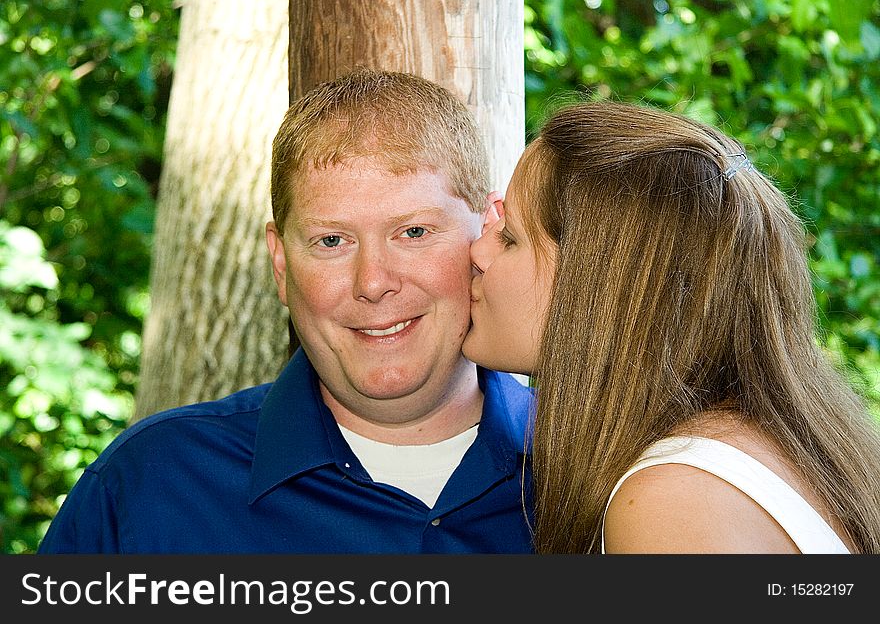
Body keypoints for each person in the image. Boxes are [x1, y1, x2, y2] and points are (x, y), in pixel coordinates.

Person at [38, 68, 535, 553]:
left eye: (413, 232)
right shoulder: (147, 489)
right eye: (332, 240)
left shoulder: (594, 478)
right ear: (281, 263)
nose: (374, 283)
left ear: (489, 231)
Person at [463, 99, 880, 554]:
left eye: (510, 238)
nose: (478, 253)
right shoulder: (768, 446)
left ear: (598, 284)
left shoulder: (672, 503)